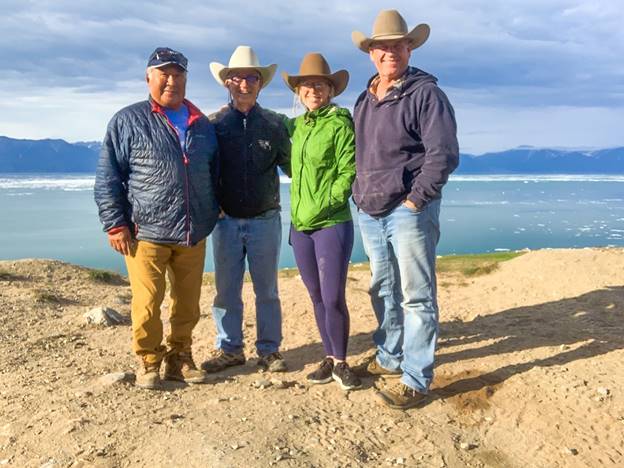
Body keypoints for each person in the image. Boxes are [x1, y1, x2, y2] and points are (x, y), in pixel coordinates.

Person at [351, 10, 460, 408]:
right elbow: (361, 155)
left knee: (416, 295)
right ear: (371, 53)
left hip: (408, 210)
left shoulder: (426, 94)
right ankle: (390, 356)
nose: (390, 52)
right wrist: (357, 192)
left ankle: (416, 378)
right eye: (382, 46)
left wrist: (416, 200)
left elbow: (443, 154)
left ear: (409, 48)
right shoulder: (364, 99)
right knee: (382, 288)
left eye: (398, 45)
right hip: (370, 209)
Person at [94, 47, 219, 390]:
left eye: (178, 75)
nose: (171, 81)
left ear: (186, 79)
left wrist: (213, 207)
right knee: (147, 303)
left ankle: (180, 358)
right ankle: (149, 361)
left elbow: (213, 172)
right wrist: (116, 223)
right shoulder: (127, 120)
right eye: (163, 74)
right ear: (149, 78)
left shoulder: (202, 125)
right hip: (145, 232)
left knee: (188, 304)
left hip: (192, 232)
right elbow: (108, 177)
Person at [202, 46, 291, 374]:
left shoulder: (274, 125)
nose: (244, 84)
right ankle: (230, 349)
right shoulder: (213, 125)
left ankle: (269, 350)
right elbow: (203, 170)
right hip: (225, 222)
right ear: (226, 82)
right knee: (226, 290)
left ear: (260, 83)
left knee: (267, 289)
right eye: (237, 77)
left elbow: (294, 167)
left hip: (266, 219)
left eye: (251, 77)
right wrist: (212, 206)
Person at [281, 53, 360, 390]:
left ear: (330, 89)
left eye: (319, 84)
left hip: (330, 223)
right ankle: (328, 357)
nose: (312, 89)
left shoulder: (340, 122)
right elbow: (289, 164)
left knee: (332, 297)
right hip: (300, 227)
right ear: (298, 91)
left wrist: (325, 203)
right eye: (306, 85)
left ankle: (342, 362)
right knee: (315, 295)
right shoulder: (297, 126)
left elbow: (348, 171)